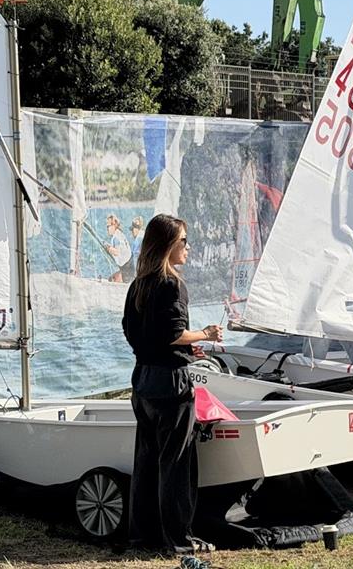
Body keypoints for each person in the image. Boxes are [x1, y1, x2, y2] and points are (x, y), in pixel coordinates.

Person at [122, 214, 223, 554]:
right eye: (184, 241)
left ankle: (143, 536)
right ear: (168, 245)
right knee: (176, 465)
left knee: (147, 463)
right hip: (170, 384)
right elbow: (173, 333)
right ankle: (178, 540)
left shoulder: (139, 284)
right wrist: (205, 335)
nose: (188, 247)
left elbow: (134, 332)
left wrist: (182, 346)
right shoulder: (171, 283)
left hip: (143, 380)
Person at [105, 214, 132, 283]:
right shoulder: (120, 234)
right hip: (128, 265)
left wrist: (108, 248)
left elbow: (117, 252)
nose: (107, 228)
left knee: (111, 280)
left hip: (125, 267)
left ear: (114, 225)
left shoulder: (116, 237)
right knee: (112, 278)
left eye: (108, 226)